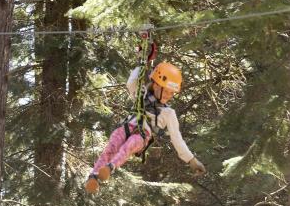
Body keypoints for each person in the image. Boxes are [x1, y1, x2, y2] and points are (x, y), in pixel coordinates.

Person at [85, 62, 207, 194]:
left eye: (172, 93)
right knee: (111, 147)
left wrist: (192, 160)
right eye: (166, 90)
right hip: (127, 127)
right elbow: (131, 83)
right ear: (155, 85)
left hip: (142, 136)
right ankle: (93, 177)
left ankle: (110, 167)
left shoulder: (169, 113)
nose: (168, 95)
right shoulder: (141, 95)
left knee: (129, 145)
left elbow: (177, 139)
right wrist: (141, 65)